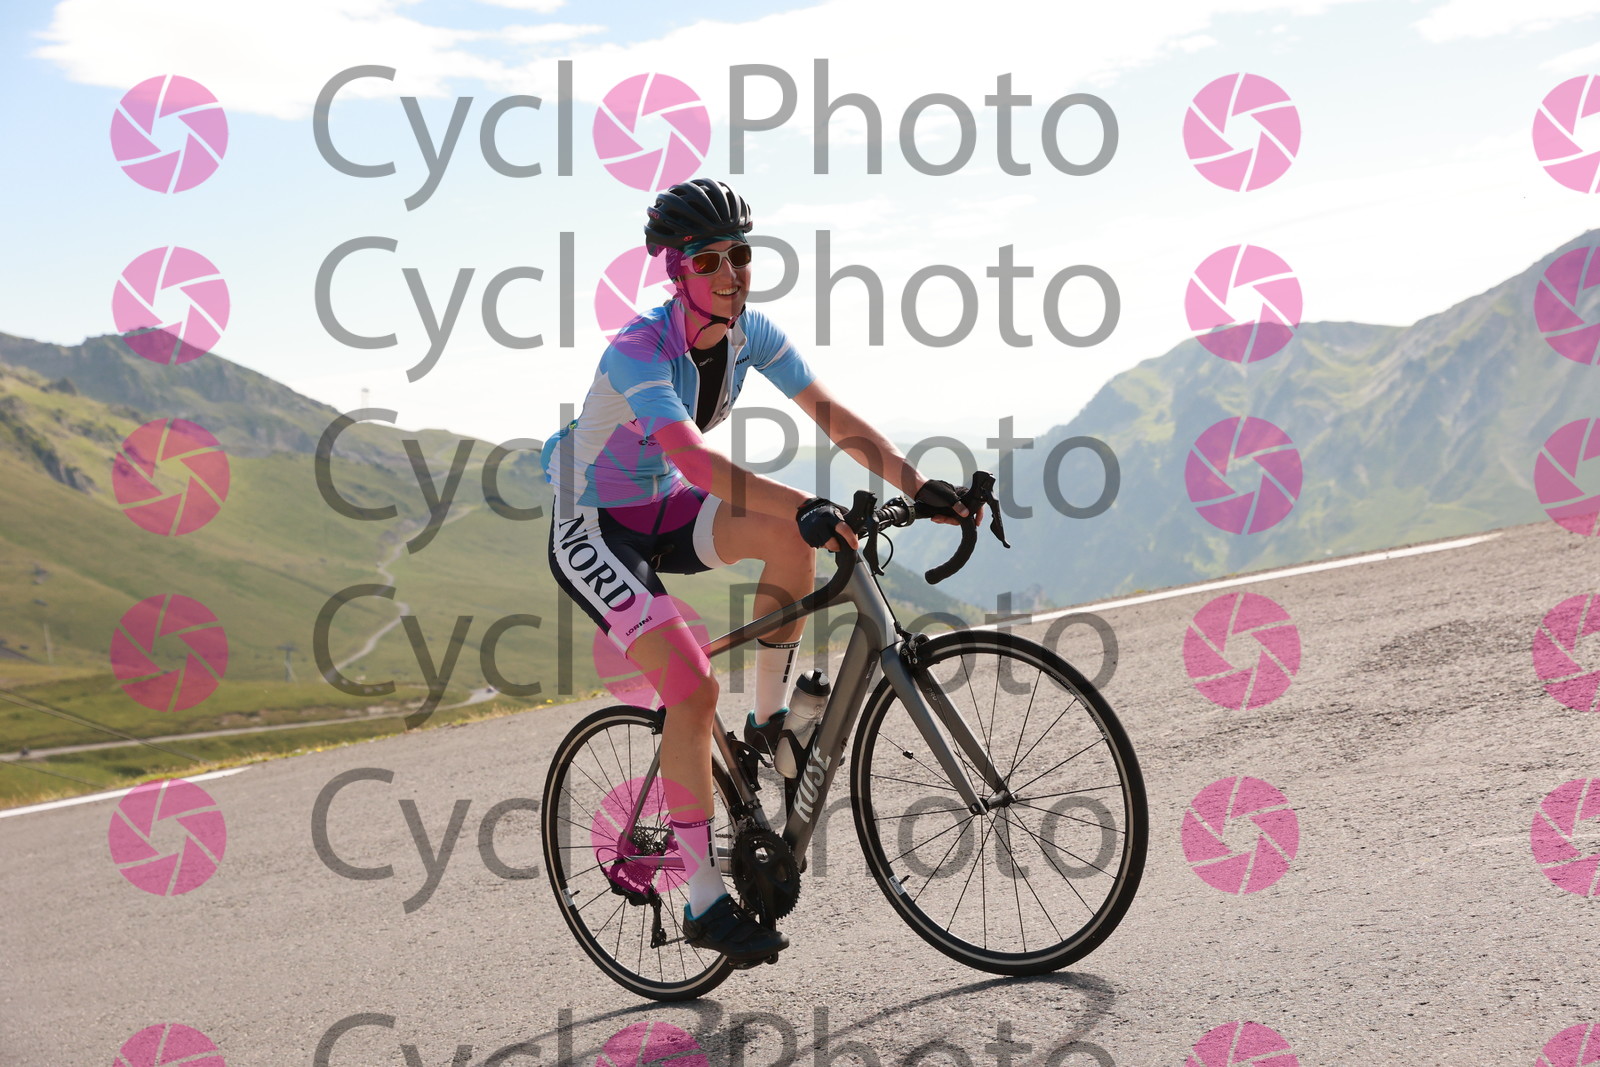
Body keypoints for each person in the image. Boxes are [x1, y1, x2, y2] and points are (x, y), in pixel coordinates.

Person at [542, 178, 977, 963]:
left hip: (663, 505)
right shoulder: (639, 351)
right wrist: (808, 501)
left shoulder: (751, 333)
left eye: (739, 255)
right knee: (690, 684)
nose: (729, 273)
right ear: (675, 270)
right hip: (594, 524)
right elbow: (696, 460)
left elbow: (833, 416)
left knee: (790, 540)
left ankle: (765, 724)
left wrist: (920, 486)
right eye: (707, 260)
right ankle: (704, 897)